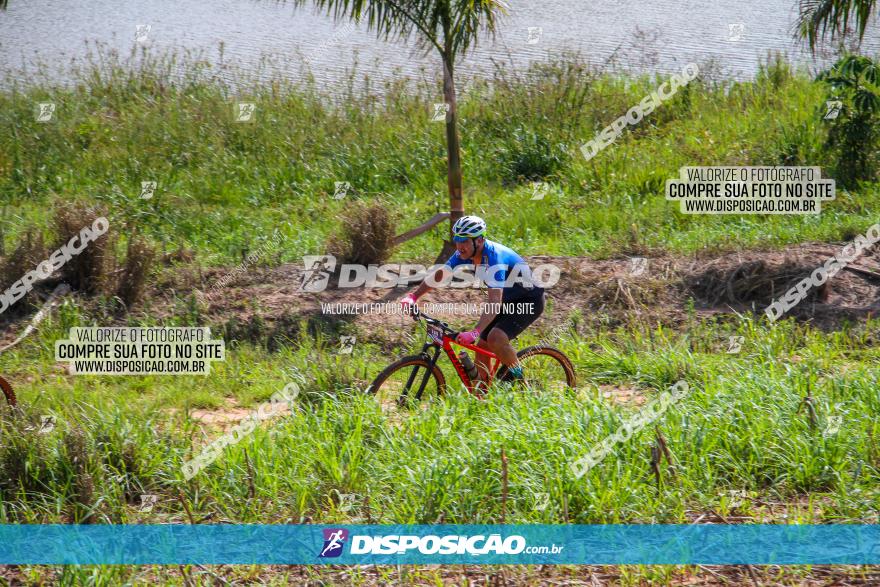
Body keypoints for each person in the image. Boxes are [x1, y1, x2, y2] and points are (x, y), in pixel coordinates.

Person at [399, 215, 545, 384]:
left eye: (464, 241)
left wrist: (474, 332)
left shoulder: (494, 259)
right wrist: (414, 296)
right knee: (482, 347)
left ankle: (521, 382)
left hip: (529, 300)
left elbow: (494, 302)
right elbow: (440, 275)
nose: (459, 246)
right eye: (457, 240)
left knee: (495, 338)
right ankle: (484, 395)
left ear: (480, 240)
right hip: (508, 298)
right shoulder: (465, 252)